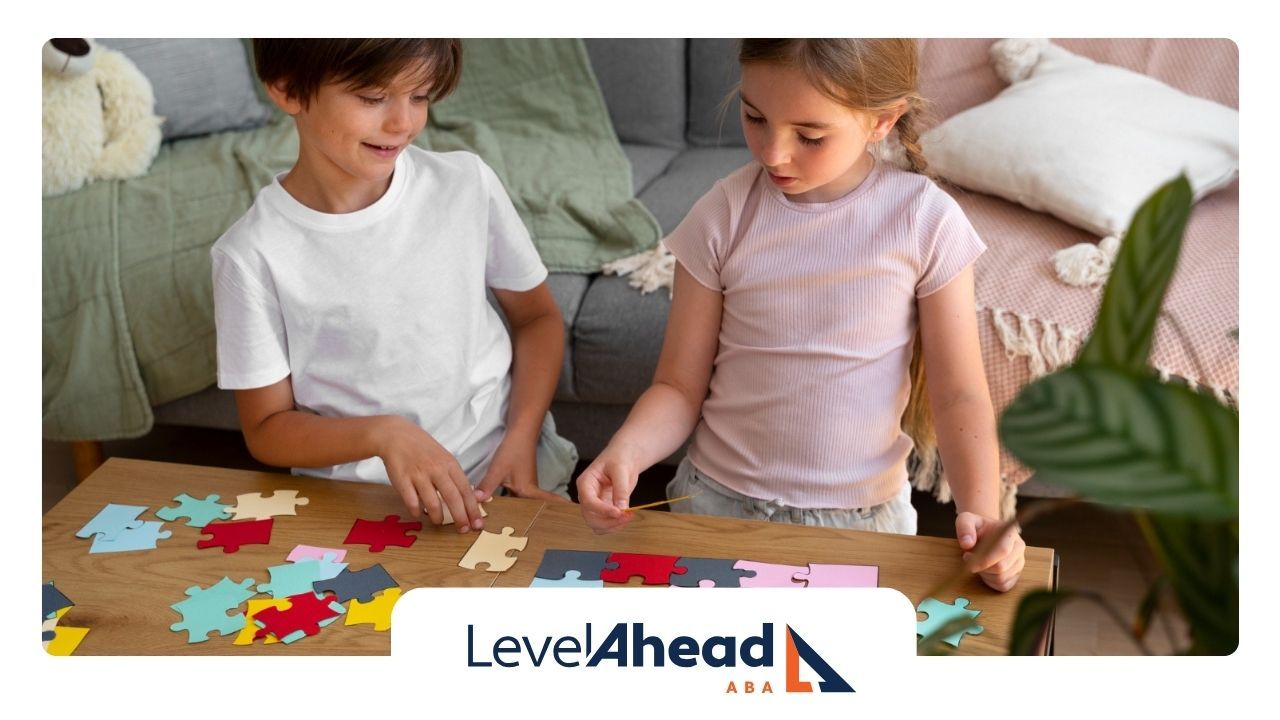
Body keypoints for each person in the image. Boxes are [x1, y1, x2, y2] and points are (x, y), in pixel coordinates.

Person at [577, 39, 1024, 591]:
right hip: (714, 507)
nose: (771, 153)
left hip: (861, 524)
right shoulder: (722, 213)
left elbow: (959, 395)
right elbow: (676, 386)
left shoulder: (926, 221)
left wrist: (981, 514)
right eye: (754, 116)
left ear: (882, 121)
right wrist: (624, 452)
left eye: (809, 136)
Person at [212, 39, 576, 534]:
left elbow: (538, 318)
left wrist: (521, 435)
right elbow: (266, 430)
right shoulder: (250, 254)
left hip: (505, 466)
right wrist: (386, 434)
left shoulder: (466, 183)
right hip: (360, 505)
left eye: (420, 96)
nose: (403, 123)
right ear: (288, 90)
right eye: (372, 97)